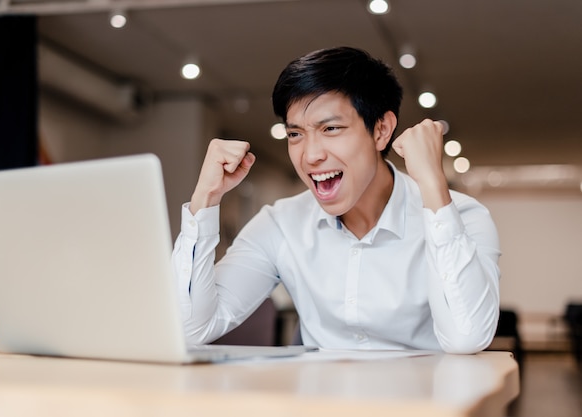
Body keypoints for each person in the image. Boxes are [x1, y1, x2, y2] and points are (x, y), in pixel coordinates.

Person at [172, 46, 501, 354]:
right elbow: (189, 328)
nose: (310, 155)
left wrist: (432, 184)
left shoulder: (463, 216)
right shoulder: (280, 224)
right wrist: (206, 199)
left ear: (381, 130)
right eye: (295, 134)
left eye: (330, 129)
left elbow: (467, 336)